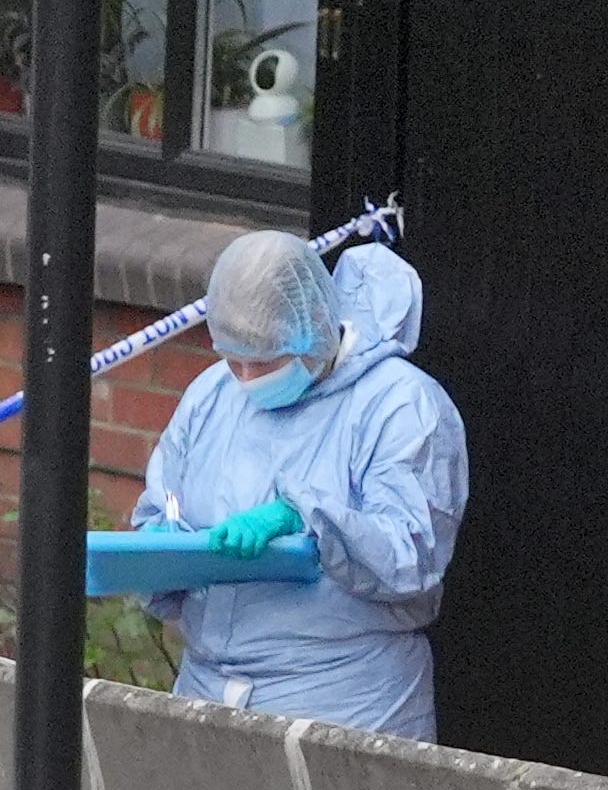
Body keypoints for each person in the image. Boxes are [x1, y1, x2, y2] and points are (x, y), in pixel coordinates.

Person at [131, 233, 466, 740]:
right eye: (231, 357)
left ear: (313, 332)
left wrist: (304, 518)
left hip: (346, 701)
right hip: (206, 690)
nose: (245, 377)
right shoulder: (211, 395)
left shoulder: (401, 405)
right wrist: (159, 547)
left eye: (263, 360)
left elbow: (411, 556)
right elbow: (163, 502)